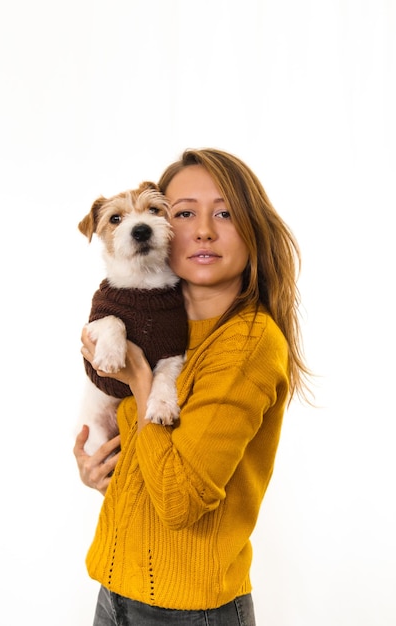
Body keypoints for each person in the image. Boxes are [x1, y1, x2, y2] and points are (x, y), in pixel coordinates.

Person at [74, 148, 312, 625]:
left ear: (252, 229)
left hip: (189, 611)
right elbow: (147, 455)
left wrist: (140, 378)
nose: (203, 229)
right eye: (185, 212)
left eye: (224, 213)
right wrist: (100, 473)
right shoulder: (156, 318)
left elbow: (179, 500)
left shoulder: (248, 343)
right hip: (114, 590)